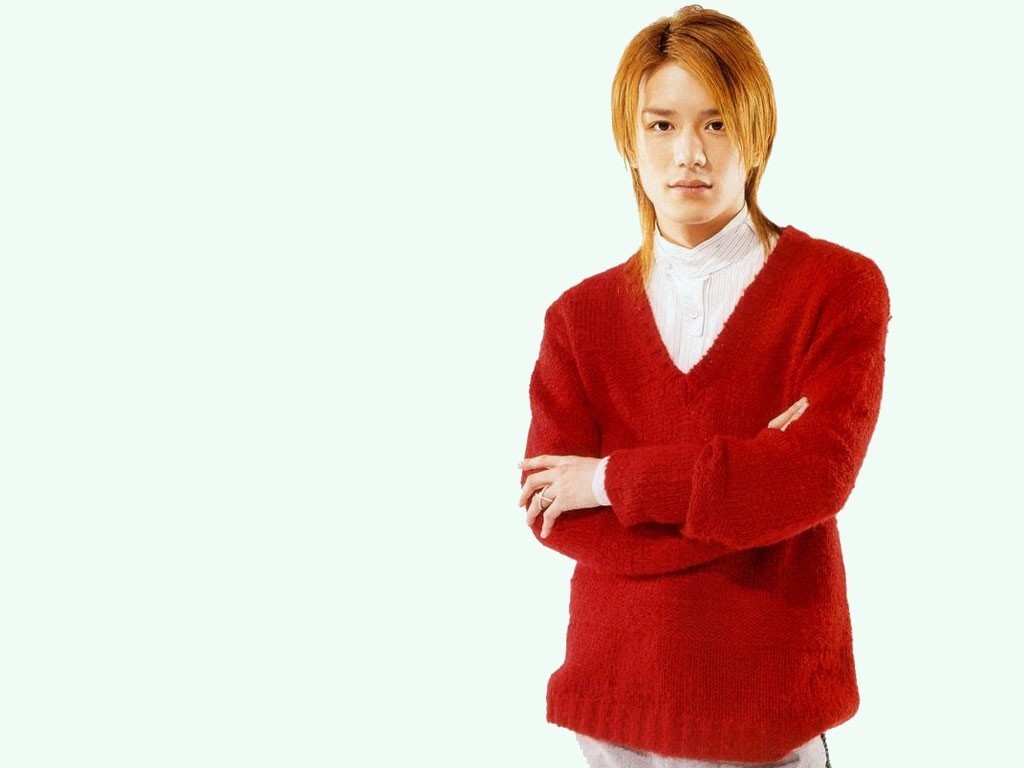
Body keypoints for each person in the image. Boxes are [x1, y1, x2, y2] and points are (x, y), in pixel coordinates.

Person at [517, 6, 890, 768]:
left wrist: (610, 480)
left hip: (766, 708)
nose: (688, 153)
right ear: (629, 141)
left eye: (716, 123)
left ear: (757, 131)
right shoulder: (578, 319)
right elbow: (553, 512)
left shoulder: (836, 289)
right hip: (613, 708)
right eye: (661, 125)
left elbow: (813, 478)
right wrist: (743, 490)